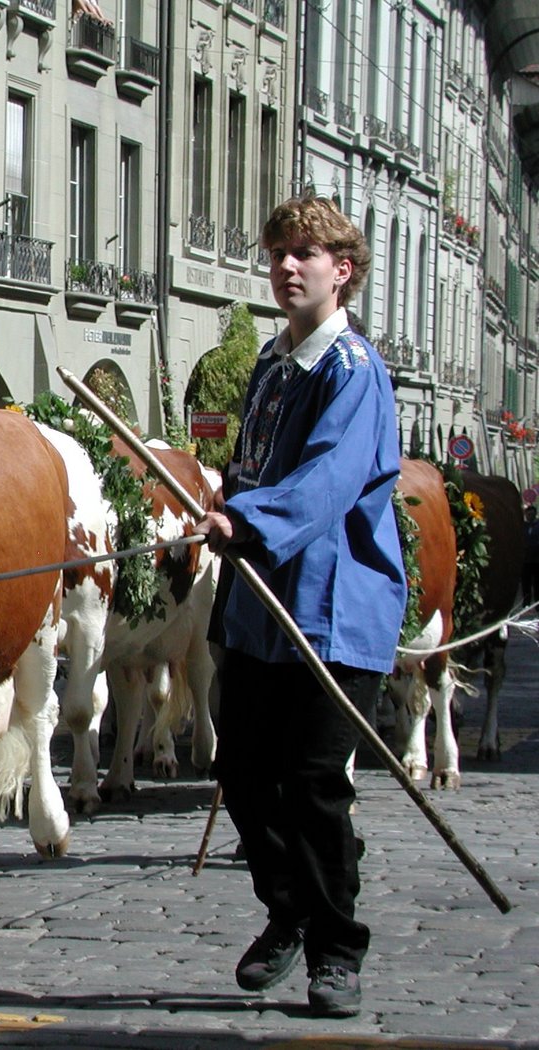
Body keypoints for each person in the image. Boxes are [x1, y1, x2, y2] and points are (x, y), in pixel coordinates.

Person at [193, 196, 407, 1019]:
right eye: (278, 252)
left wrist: (248, 519)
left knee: (315, 784)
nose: (285, 266)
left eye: (303, 255)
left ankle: (334, 949)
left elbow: (324, 481)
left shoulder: (353, 371)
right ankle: (289, 908)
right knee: (242, 771)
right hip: (259, 608)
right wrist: (223, 503)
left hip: (332, 608)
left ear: (340, 270)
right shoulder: (273, 367)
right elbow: (254, 465)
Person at [523, 505, 539, 607]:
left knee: (537, 584)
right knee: (526, 584)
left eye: (531, 514)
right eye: (528, 514)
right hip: (525, 560)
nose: (529, 515)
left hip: (537, 560)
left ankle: (537, 604)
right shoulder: (523, 526)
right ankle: (526, 604)